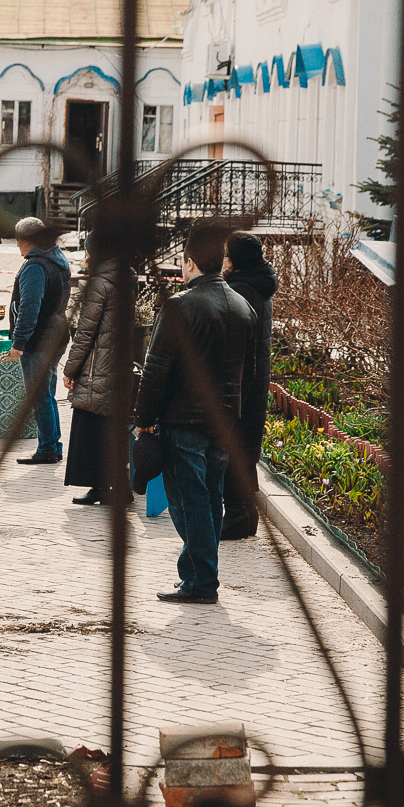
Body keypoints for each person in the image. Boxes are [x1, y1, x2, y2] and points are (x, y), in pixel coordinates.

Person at [135, 226, 259, 605]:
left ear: (189, 263)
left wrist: (143, 417)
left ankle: (202, 580)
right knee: (209, 499)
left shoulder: (179, 305)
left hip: (183, 420)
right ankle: (198, 575)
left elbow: (156, 370)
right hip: (224, 420)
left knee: (189, 502)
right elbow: (250, 373)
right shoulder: (243, 307)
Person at [61, 254, 137, 506]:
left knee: (93, 429)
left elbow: (85, 332)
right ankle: (115, 486)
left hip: (97, 369)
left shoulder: (100, 284)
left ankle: (104, 486)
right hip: (117, 366)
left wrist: (70, 369)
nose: (84, 259)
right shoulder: (126, 278)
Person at [222, 231, 278, 540]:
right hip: (253, 381)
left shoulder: (241, 291)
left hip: (242, 383)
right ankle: (244, 516)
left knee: (235, 449)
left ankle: (238, 517)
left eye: (228, 256)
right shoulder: (257, 284)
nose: (224, 261)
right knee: (243, 449)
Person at [7, 217, 71, 466]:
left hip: (39, 339)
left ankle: (47, 448)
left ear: (26, 241)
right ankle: (52, 444)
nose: (17, 247)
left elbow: (29, 308)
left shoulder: (35, 266)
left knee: (40, 395)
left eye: (18, 241)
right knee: (47, 393)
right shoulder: (57, 257)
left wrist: (19, 342)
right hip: (56, 333)